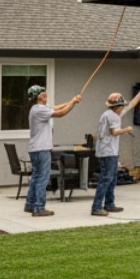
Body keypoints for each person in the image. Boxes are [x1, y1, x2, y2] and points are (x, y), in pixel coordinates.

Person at [92, 83, 140, 216]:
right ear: (116, 106)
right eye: (121, 105)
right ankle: (96, 207)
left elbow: (132, 104)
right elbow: (114, 132)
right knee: (106, 179)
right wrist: (127, 129)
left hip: (108, 151)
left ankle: (109, 204)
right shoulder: (112, 116)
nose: (123, 107)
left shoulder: (112, 113)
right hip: (107, 152)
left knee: (111, 179)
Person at [26, 84, 82, 216]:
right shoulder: (39, 110)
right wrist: (73, 103)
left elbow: (55, 108)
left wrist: (71, 101)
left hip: (35, 148)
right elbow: (60, 113)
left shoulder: (37, 109)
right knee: (42, 178)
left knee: (36, 177)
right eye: (42, 92)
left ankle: (30, 204)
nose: (45, 93)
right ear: (38, 96)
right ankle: (39, 208)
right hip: (41, 149)